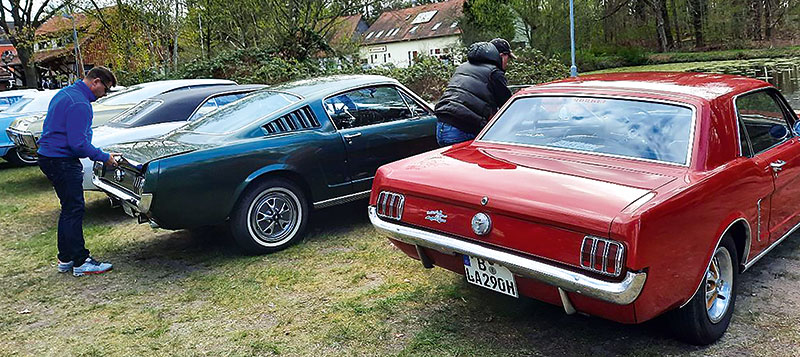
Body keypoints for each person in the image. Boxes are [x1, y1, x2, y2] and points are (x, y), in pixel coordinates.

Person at [37, 67, 118, 277]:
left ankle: (66, 258)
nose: (104, 95)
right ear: (96, 82)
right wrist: (104, 157)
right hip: (62, 160)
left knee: (68, 208)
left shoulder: (65, 93)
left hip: (49, 157)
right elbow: (78, 144)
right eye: (105, 89)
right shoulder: (80, 104)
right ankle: (81, 261)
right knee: (74, 209)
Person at [434, 38, 516, 146]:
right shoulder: (494, 73)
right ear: (501, 55)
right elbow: (507, 107)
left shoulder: (462, 67)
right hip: (462, 129)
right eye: (508, 58)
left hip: (441, 126)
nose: (507, 63)